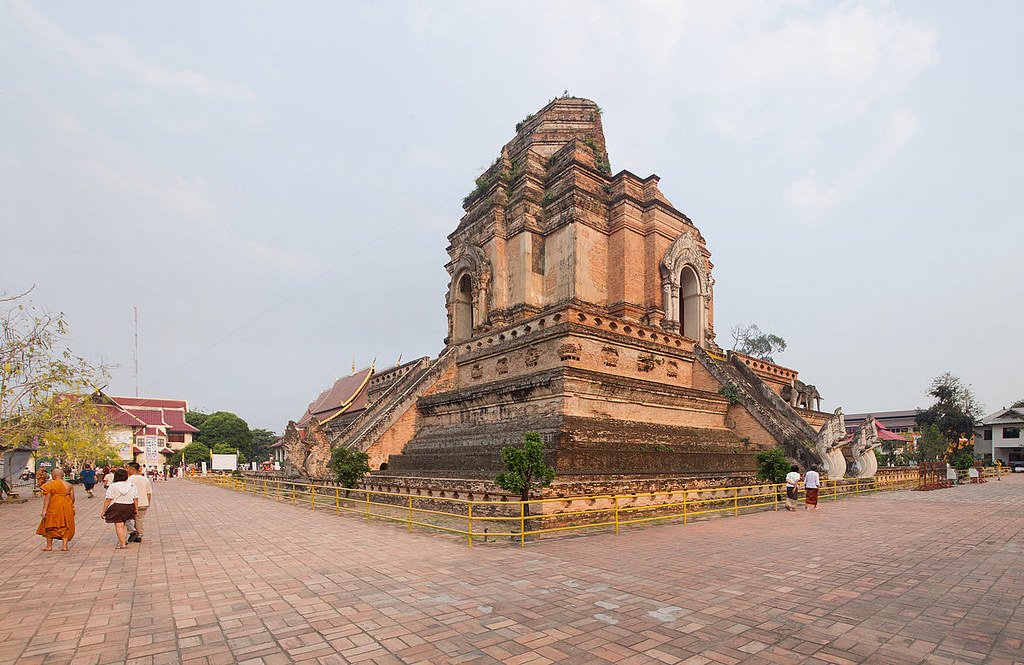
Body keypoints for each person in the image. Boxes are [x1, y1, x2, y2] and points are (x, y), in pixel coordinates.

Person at [36, 467, 76, 551]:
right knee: (66, 525)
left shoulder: (50, 484)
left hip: (54, 507)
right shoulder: (69, 485)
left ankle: (49, 546)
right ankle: (64, 546)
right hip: (66, 507)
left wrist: (44, 510)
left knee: (50, 525)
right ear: (62, 475)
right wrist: (69, 506)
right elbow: (72, 498)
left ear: (54, 475)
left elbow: (47, 498)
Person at [101, 468, 138, 549]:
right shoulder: (132, 485)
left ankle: (122, 544)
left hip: (117, 506)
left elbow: (108, 499)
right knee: (124, 524)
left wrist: (104, 511)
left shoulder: (113, 486)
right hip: (129, 506)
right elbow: (135, 499)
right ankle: (123, 541)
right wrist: (136, 509)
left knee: (119, 525)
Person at [125, 462, 152, 544]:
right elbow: (149, 493)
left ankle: (134, 533)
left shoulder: (129, 479)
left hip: (132, 503)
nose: (126, 470)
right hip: (144, 502)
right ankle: (137, 535)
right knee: (139, 520)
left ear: (132, 469)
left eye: (127, 468)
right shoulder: (145, 479)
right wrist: (148, 502)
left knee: (125, 519)